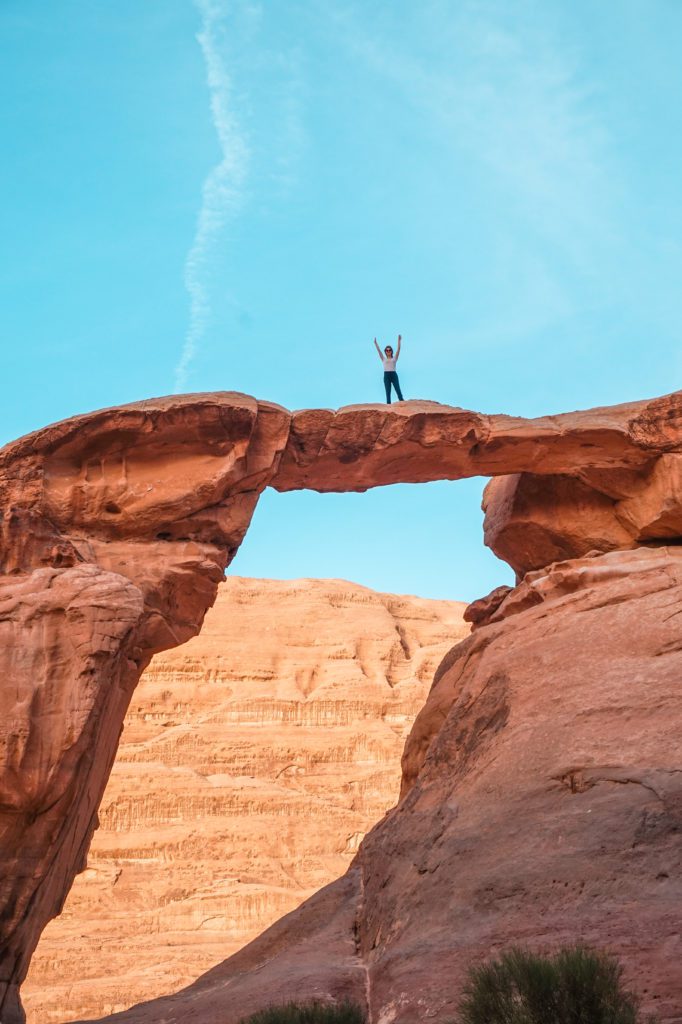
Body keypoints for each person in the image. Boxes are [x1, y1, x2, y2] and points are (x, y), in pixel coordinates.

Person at [373, 334, 404, 403]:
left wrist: (399, 341)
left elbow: (398, 349)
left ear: (391, 351)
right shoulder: (383, 359)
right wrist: (375, 343)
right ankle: (388, 406)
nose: (388, 351)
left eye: (389, 350)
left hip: (393, 374)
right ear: (385, 352)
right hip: (386, 375)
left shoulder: (394, 358)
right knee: (388, 391)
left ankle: (402, 402)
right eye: (387, 350)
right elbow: (379, 351)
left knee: (397, 389)